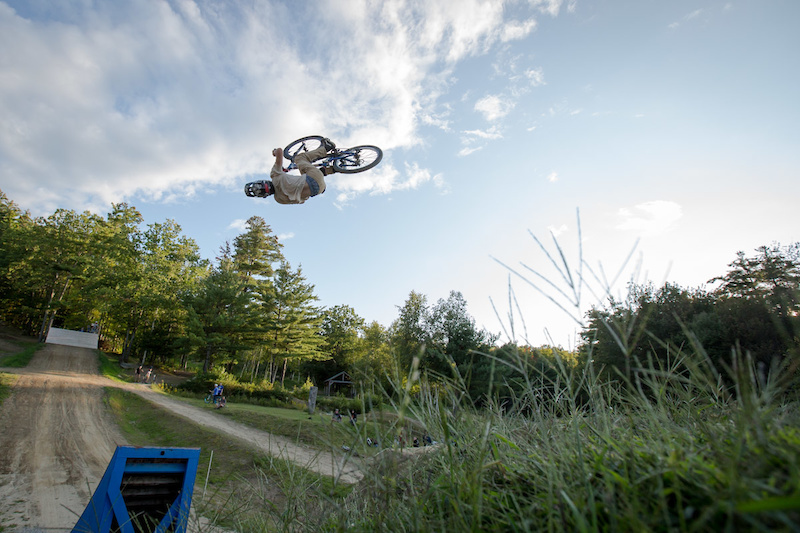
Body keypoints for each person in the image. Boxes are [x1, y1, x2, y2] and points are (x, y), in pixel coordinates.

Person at [245, 138, 337, 204]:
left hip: (318, 190)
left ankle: (332, 169)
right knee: (300, 158)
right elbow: (280, 151)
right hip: (314, 177)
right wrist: (274, 152)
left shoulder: (279, 200)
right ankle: (326, 148)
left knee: (307, 178)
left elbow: (302, 202)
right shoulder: (275, 176)